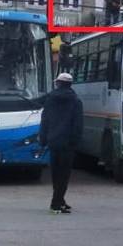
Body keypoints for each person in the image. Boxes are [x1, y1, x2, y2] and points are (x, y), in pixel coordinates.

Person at [39, 73, 84, 214]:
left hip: (53, 141)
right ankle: (56, 203)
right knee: (64, 174)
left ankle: (60, 200)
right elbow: (78, 124)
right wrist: (75, 141)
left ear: (58, 83)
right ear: (70, 85)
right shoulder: (76, 101)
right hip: (68, 143)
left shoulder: (50, 99)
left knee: (56, 172)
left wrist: (43, 138)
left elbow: (44, 120)